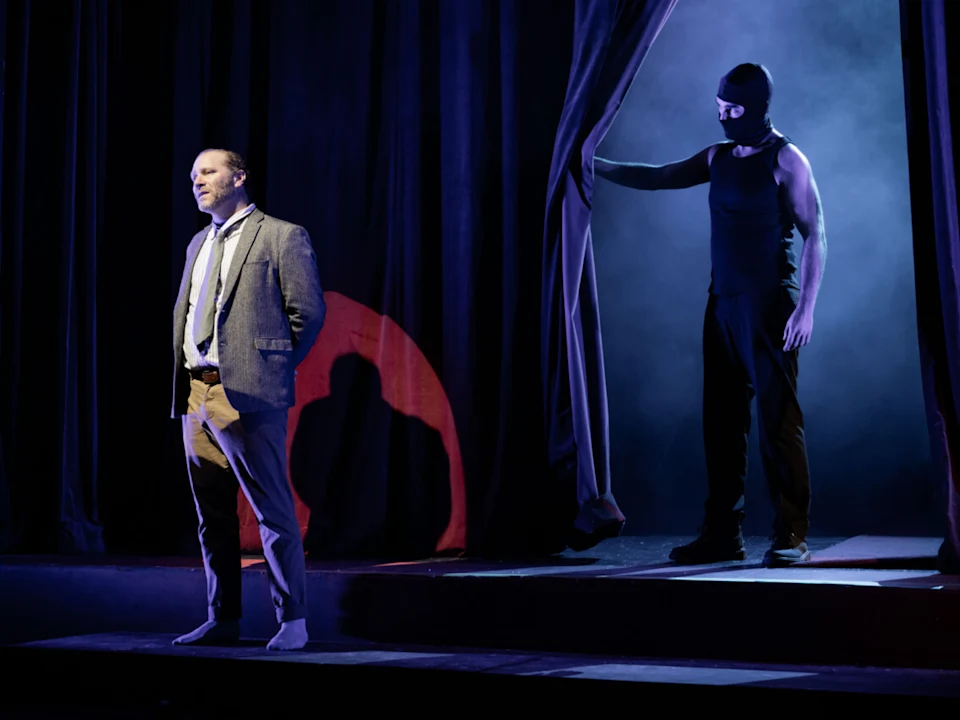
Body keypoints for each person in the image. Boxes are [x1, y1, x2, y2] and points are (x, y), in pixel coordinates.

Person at [594, 63, 827, 567]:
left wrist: (805, 308)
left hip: (769, 306)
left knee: (778, 424)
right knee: (722, 425)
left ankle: (792, 535)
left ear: (758, 107)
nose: (723, 116)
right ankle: (723, 533)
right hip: (721, 303)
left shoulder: (787, 159)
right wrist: (592, 162)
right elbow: (658, 177)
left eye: (733, 109)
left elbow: (817, 235)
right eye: (719, 107)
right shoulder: (718, 157)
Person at [170, 148, 326, 649]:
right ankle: (223, 617)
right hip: (196, 391)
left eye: (209, 171)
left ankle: (293, 621)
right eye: (194, 175)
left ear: (239, 177)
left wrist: (270, 369)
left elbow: (307, 313)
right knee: (211, 513)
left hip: (248, 393)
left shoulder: (281, 235)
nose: (198, 180)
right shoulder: (198, 242)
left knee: (270, 510)